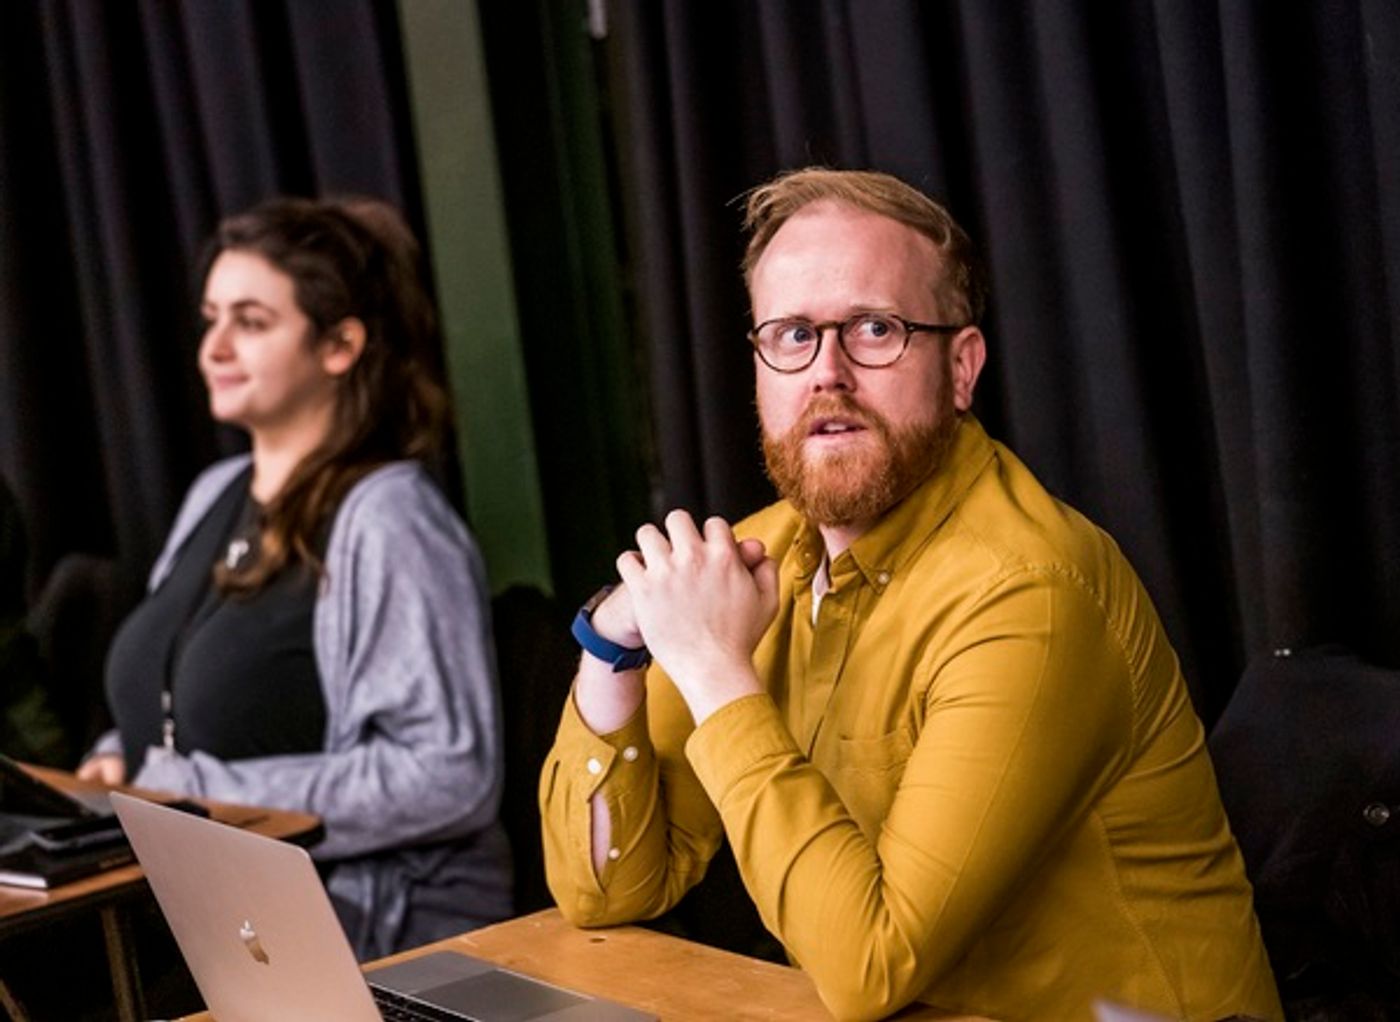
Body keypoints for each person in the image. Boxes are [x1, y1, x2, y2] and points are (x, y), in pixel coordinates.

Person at [539, 168, 1281, 1021]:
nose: (827, 372)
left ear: (961, 368)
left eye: (876, 329)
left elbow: (869, 968)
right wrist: (612, 649)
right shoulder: (764, 555)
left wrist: (713, 670)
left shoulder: (1026, 594)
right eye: (790, 335)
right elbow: (606, 893)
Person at [80, 196, 511, 959]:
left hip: (355, 939)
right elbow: (173, 701)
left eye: (250, 321)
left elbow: (448, 774)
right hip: (200, 913)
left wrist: (194, 797)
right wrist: (118, 763)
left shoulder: (390, 518)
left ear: (340, 344)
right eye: (211, 317)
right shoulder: (216, 492)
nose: (215, 346)